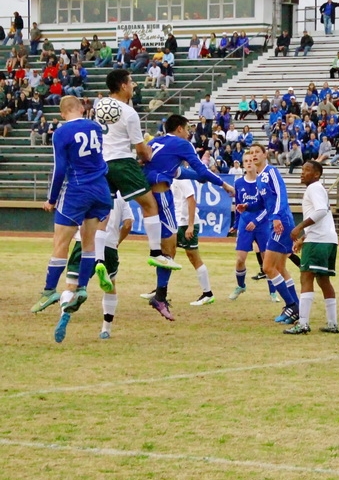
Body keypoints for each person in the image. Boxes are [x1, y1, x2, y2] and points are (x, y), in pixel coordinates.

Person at [32, 97, 113, 343]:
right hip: (101, 189)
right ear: (78, 108)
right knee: (88, 243)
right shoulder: (95, 127)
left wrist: (52, 198)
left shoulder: (61, 132)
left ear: (63, 111)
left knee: (61, 243)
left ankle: (48, 291)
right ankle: (82, 288)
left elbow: (60, 167)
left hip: (77, 190)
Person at [140, 115, 235, 320]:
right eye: (188, 128)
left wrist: (199, 176)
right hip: (160, 193)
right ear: (180, 129)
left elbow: (178, 172)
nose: (190, 133)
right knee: (170, 247)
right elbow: (200, 169)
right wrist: (224, 185)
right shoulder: (182, 144)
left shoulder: (156, 142)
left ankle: (160, 292)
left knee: (168, 248)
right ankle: (160, 295)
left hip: (145, 192)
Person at [97, 69, 177, 273]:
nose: (134, 85)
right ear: (123, 85)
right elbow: (141, 149)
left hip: (102, 163)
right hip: (122, 162)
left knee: (103, 213)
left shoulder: (99, 107)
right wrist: (148, 155)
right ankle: (155, 253)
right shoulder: (129, 112)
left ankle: (97, 259)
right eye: (131, 81)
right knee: (149, 205)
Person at [236, 144, 302, 323]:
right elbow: (263, 203)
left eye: (257, 152)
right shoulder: (259, 178)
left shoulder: (271, 171)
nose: (254, 155)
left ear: (265, 155)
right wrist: (248, 206)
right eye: (251, 153)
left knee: (267, 267)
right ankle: (296, 306)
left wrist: (276, 217)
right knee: (280, 268)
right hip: (277, 222)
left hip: (282, 222)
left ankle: (291, 306)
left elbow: (281, 194)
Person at [61, 197, 133, 340]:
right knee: (110, 286)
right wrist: (117, 241)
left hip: (84, 242)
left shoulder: (87, 188)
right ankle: (106, 328)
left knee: (71, 285)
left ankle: (64, 314)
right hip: (109, 245)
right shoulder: (120, 194)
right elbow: (128, 223)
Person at [284, 161, 339, 334]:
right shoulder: (319, 189)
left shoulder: (314, 188)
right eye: (302, 169)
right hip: (329, 239)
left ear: (316, 174)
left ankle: (303, 323)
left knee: (306, 278)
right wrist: (303, 239)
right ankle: (332, 323)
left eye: (306, 170)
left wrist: (299, 227)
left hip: (318, 241)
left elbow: (321, 211)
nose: (302, 173)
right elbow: (321, 216)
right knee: (324, 280)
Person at [229, 153, 280, 303]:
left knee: (267, 262)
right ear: (243, 164)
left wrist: (257, 221)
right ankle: (241, 286)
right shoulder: (238, 183)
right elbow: (239, 206)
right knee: (240, 259)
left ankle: (273, 292)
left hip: (262, 224)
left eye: (251, 160)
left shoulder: (262, 181)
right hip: (245, 224)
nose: (249, 163)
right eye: (246, 161)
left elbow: (267, 205)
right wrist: (237, 223)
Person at [171, 179, 215, 306]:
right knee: (167, 254)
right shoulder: (170, 176)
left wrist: (190, 225)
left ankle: (208, 294)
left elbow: (191, 200)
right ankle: (160, 291)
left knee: (193, 257)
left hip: (186, 223)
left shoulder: (182, 178)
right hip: (178, 223)